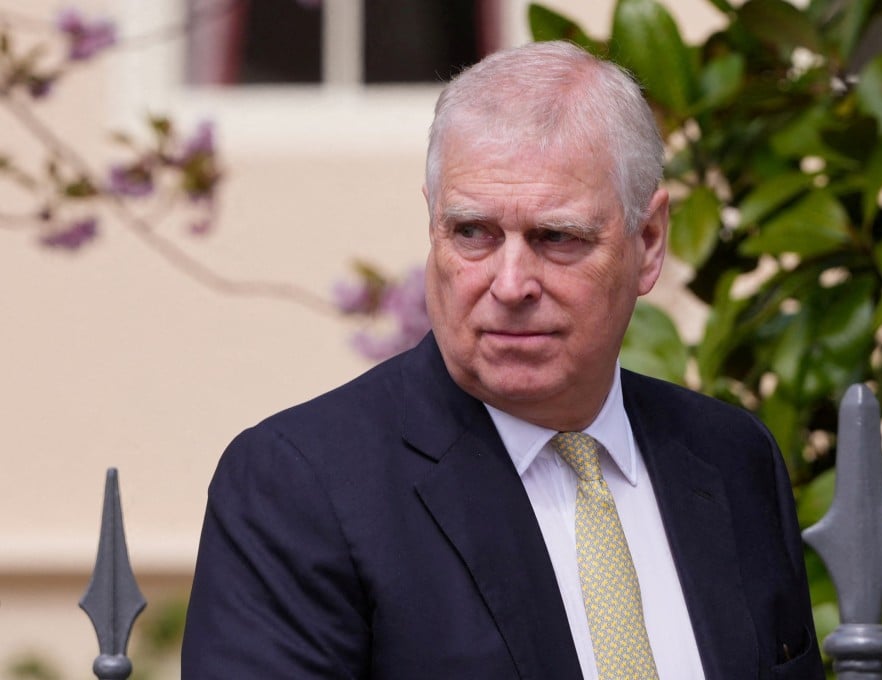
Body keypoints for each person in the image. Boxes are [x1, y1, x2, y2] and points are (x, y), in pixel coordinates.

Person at [181, 40, 824, 679]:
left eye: (556, 237)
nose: (511, 283)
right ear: (434, 227)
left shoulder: (731, 458)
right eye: (473, 233)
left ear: (649, 243)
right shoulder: (302, 487)